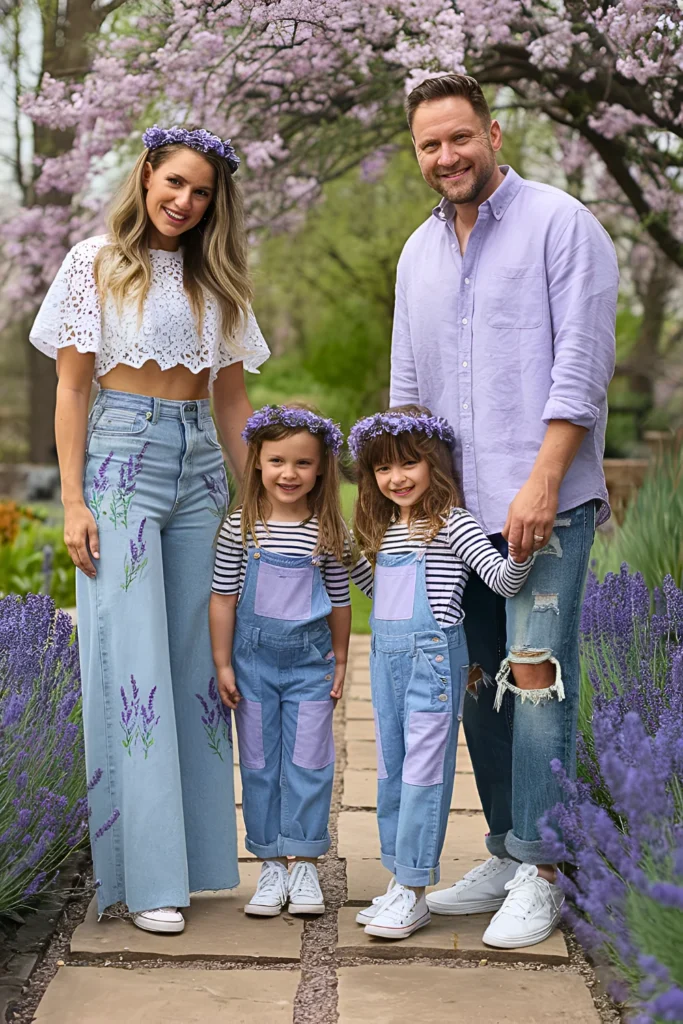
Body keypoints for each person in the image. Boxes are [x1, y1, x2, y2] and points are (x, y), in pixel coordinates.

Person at [390, 74, 618, 948]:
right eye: (428, 145)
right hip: (453, 514)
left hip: (543, 504)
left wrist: (541, 482)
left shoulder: (561, 223)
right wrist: (409, 499)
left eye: (458, 138)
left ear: (491, 131)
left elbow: (581, 367)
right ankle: (502, 847)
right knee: (477, 682)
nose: (445, 157)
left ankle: (545, 866)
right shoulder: (416, 254)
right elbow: (407, 389)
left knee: (535, 676)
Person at [29, 125, 270, 934]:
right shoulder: (92, 262)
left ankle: (200, 862)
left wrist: (260, 501)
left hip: (200, 461)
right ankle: (146, 877)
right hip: (120, 459)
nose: (184, 202)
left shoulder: (219, 279)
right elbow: (71, 391)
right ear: (146, 176)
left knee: (197, 661)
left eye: (201, 192)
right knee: (131, 663)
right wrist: (72, 499)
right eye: (174, 183)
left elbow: (232, 401)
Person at [348, 407, 533, 940]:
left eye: (409, 464)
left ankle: (414, 889)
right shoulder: (386, 525)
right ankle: (397, 879)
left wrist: (519, 552)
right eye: (383, 469)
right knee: (390, 767)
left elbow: (498, 579)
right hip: (385, 662)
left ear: (434, 463)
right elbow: (379, 596)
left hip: (434, 663)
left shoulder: (452, 521)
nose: (396, 478)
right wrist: (347, 559)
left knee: (424, 773)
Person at [210, 404, 352, 917]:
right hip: (252, 670)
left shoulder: (327, 532)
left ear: (320, 470)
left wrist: (339, 660)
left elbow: (340, 600)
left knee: (311, 761)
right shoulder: (239, 530)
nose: (288, 474)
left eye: (302, 463)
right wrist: (223, 665)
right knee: (261, 763)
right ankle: (270, 861)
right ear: (257, 464)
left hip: (311, 667)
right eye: (276, 461)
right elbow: (223, 598)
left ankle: (307, 860)